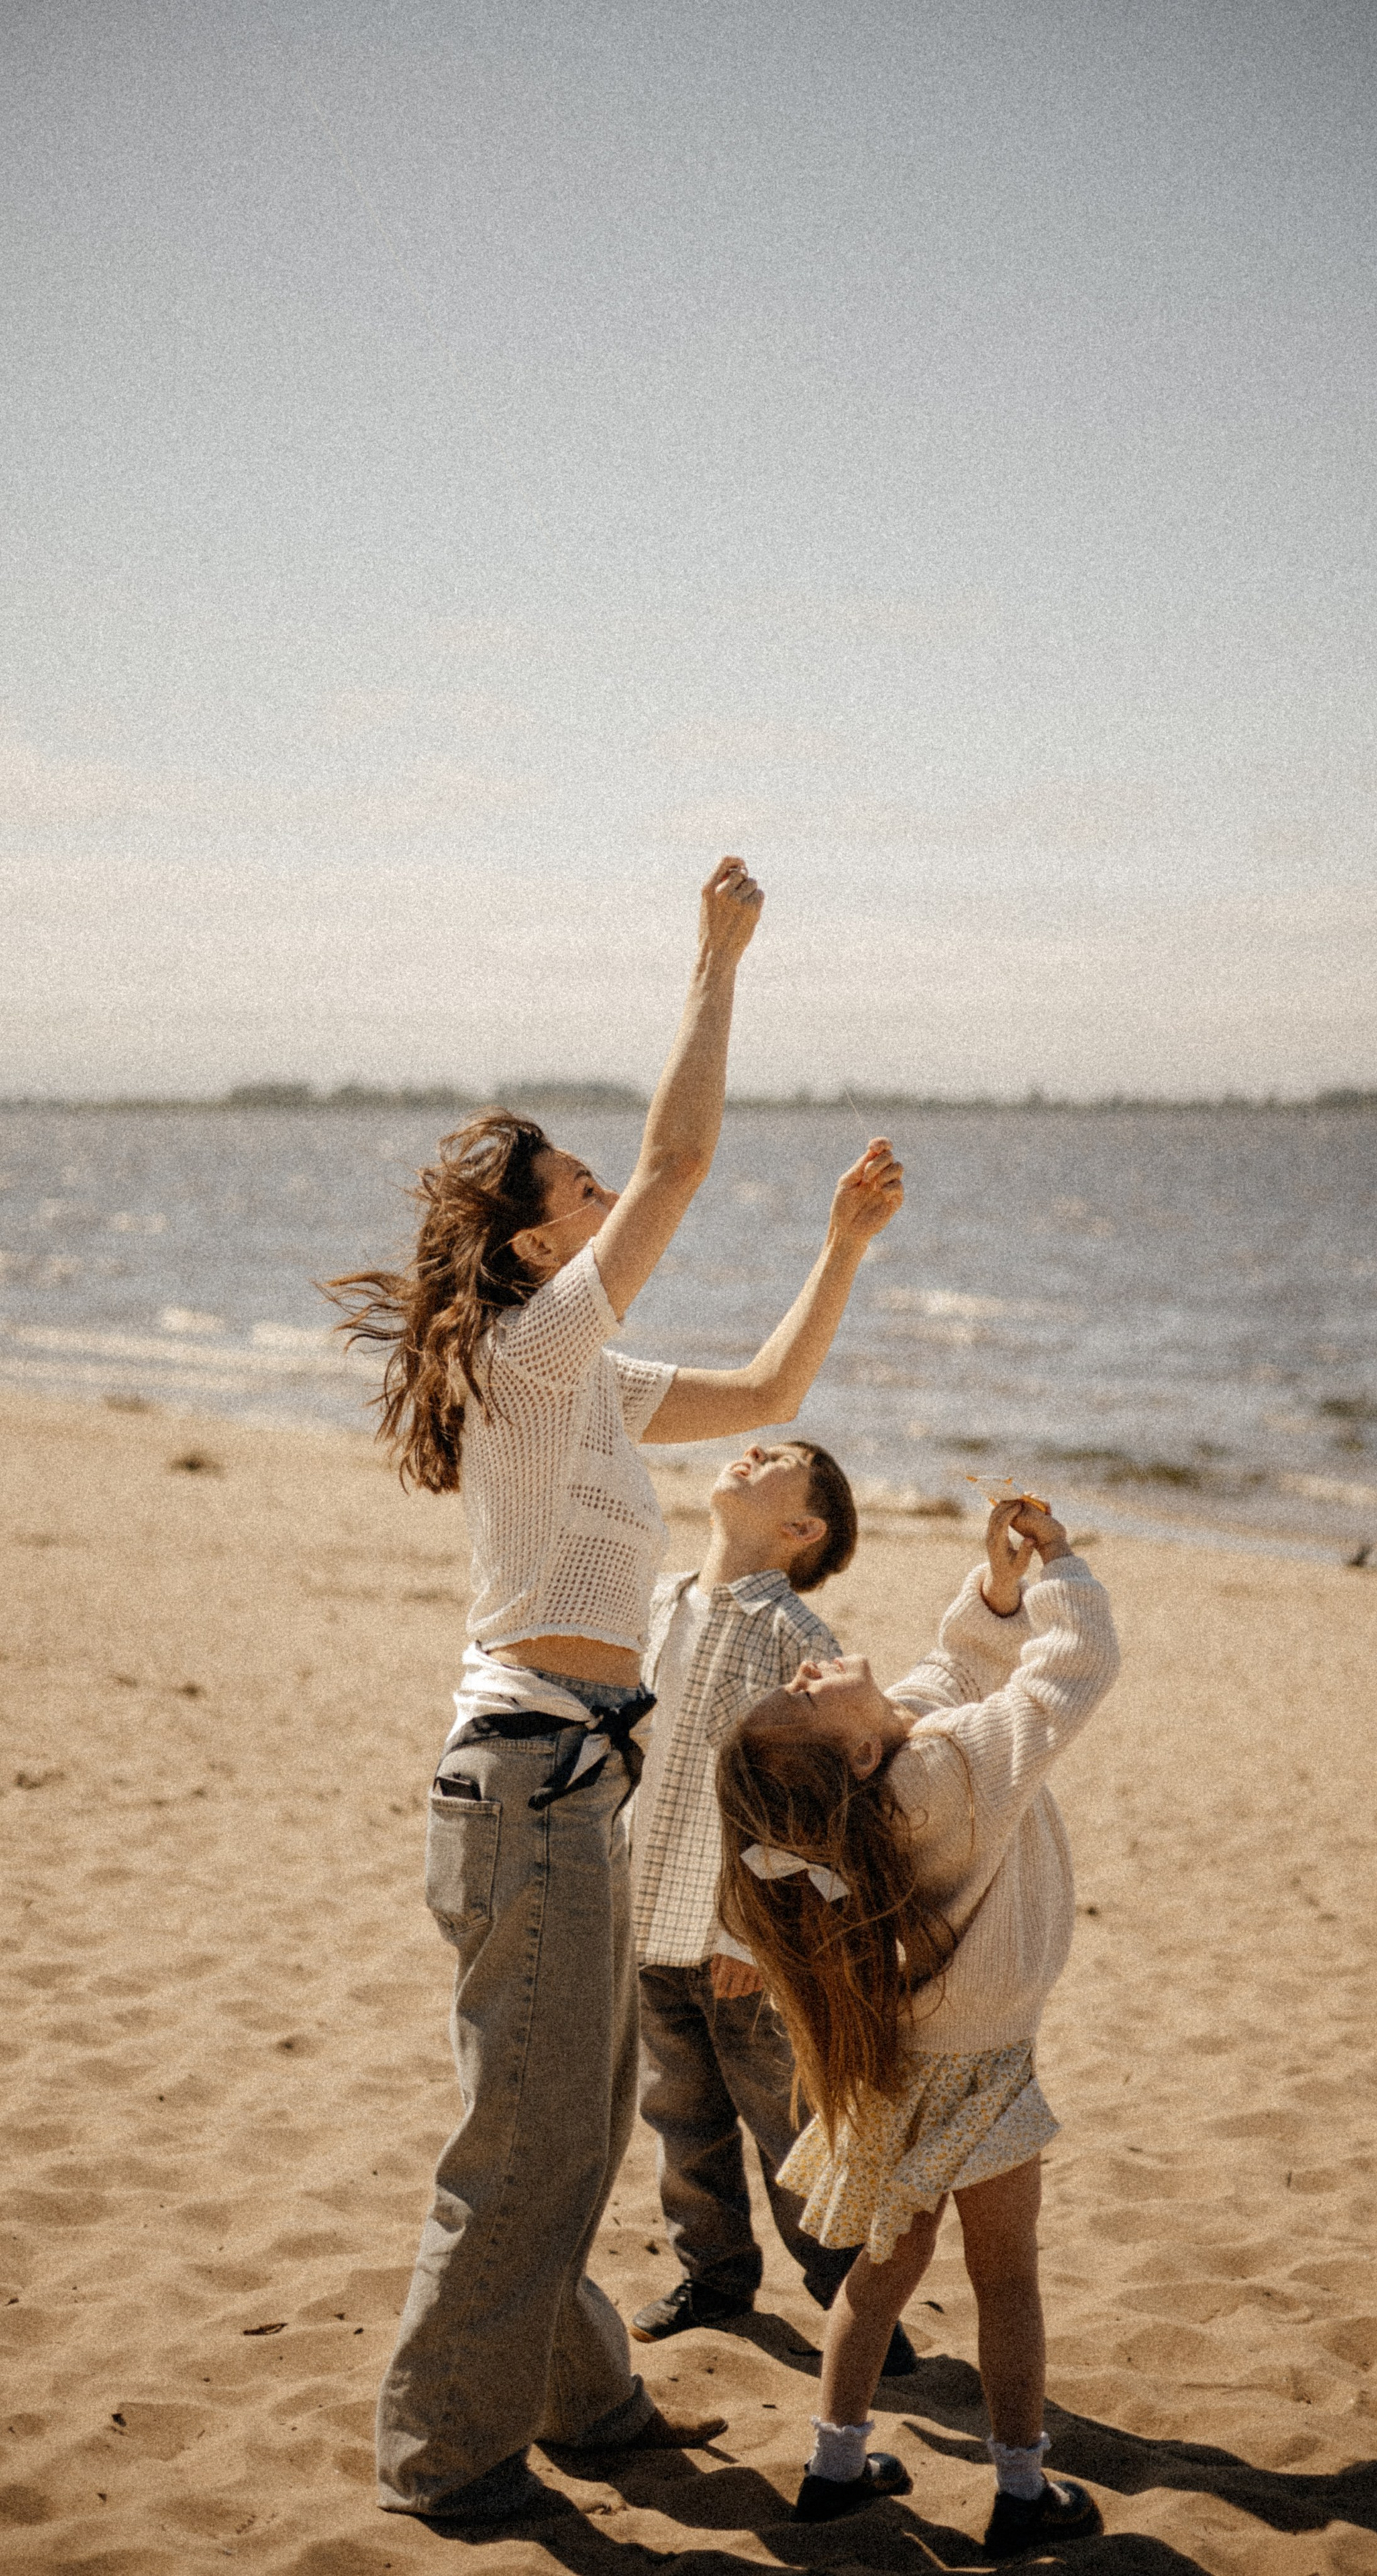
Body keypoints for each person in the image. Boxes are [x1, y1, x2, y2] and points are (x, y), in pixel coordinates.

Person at [325, 857, 906, 2523]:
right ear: (529, 1243)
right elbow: (680, 1156)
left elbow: (777, 1384)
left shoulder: (577, 1380)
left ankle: (581, 2403)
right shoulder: (525, 1353)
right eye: (577, 1198)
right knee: (528, 2144)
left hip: (559, 1786)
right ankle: (444, 2455)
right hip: (527, 1786)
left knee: (563, 2124)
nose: (605, 1208)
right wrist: (714, 961)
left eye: (594, 1193)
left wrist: (840, 1246)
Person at [715, 1496, 1120, 2556]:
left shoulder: (894, 1779)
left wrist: (994, 1590)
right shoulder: (946, 1775)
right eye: (799, 1697)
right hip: (984, 2070)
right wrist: (1061, 1572)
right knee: (1008, 2279)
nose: (804, 1672)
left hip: (910, 2067)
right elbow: (1063, 1679)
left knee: (883, 2272)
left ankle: (836, 2466)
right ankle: (1024, 2489)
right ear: (851, 1758)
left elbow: (947, 1684)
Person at [627, 1438, 912, 2379]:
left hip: (737, 1937)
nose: (754, 1449)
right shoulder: (659, 1601)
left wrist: (751, 1929)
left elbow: (822, 1800)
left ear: (802, 1530)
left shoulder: (798, 1638)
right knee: (679, 2117)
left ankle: (851, 2298)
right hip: (644, 1913)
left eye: (784, 1457)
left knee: (785, 2126)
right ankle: (713, 2277)